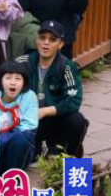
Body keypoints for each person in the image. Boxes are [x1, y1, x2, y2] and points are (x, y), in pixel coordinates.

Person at [16, 20, 88, 158]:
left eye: (52, 39)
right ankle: (36, 150)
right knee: (30, 158)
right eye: (42, 38)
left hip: (55, 119)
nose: (46, 43)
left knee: (77, 121)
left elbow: (73, 101)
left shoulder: (67, 67)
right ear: (37, 40)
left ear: (60, 44)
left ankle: (67, 153)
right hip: (28, 120)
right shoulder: (22, 63)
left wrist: (45, 111)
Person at [0, 61, 38, 182]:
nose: (13, 82)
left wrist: (3, 137)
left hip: (20, 150)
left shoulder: (30, 97)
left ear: (24, 82)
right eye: (8, 78)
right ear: (0, 81)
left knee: (20, 140)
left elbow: (29, 130)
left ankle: (13, 180)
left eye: (18, 79)